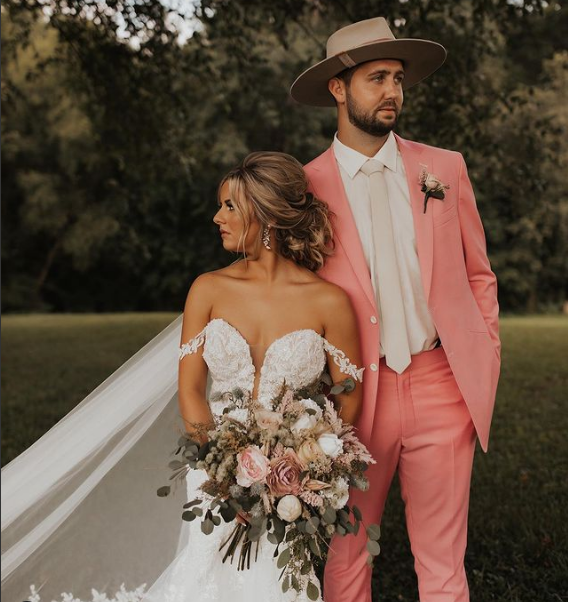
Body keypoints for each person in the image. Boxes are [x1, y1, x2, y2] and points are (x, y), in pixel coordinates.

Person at [1, 151, 364, 602]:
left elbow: (348, 399)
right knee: (207, 572)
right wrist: (225, 472)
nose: (217, 217)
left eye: (229, 206)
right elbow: (191, 389)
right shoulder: (208, 290)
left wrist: (306, 462)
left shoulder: (329, 302)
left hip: (293, 485)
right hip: (215, 468)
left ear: (265, 213)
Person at [291, 17, 501, 602]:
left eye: (399, 79)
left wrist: (484, 356)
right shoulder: (303, 190)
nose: (393, 92)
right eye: (376, 78)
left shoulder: (445, 168)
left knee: (444, 564)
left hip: (441, 386)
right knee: (346, 554)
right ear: (338, 87)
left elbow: (480, 273)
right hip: (351, 398)